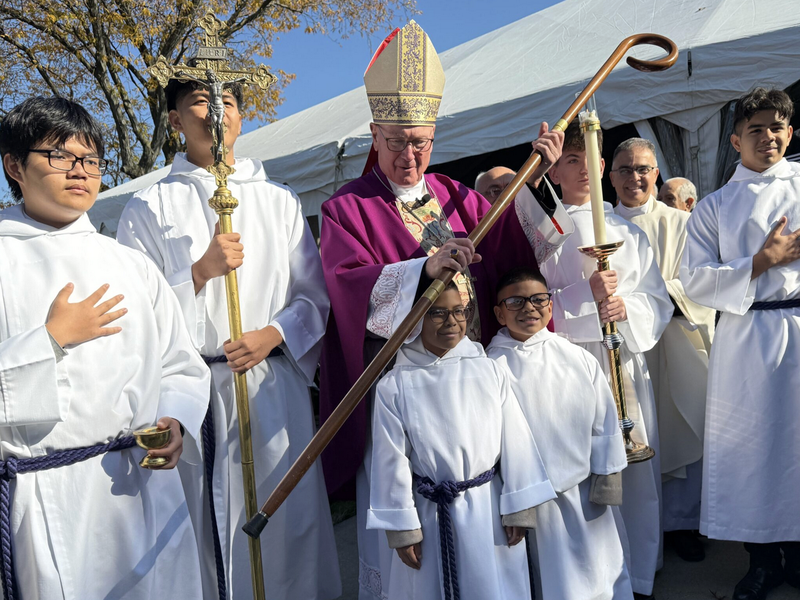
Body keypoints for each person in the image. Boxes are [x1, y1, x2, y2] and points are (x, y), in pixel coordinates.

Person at [318, 20, 573, 600]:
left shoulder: (465, 199)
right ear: (375, 136)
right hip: (401, 397)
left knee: (485, 546)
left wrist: (540, 178)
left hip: (475, 391)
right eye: (397, 140)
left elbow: (528, 258)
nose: (410, 155)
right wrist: (421, 270)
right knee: (411, 550)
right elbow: (347, 287)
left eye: (421, 142)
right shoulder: (347, 210)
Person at [117, 76, 340, 600]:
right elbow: (135, 313)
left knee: (289, 524)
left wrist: (272, 333)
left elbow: (314, 298)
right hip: (197, 389)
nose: (216, 113)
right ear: (174, 120)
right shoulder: (147, 207)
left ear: (243, 117)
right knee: (207, 526)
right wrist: (197, 273)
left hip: (271, 385)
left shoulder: (279, 200)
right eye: (199, 102)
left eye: (229, 102)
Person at [0, 96, 210, 599]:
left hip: (142, 482)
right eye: (59, 156)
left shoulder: (130, 264)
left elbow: (179, 363)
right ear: (14, 165)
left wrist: (175, 420)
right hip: (50, 493)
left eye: (91, 159)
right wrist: (49, 341)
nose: (80, 172)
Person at [542, 121, 672, 599]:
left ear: (601, 167)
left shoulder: (627, 233)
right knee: (582, 470)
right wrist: (583, 297)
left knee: (634, 473)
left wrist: (626, 309)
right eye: (568, 161)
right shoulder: (545, 232)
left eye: (586, 160)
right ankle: (587, 575)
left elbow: (655, 298)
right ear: (554, 170)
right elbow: (532, 302)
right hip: (571, 363)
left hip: (624, 362)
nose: (579, 170)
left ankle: (638, 573)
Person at [681, 86, 800, 600]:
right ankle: (761, 560)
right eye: (756, 129)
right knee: (753, 451)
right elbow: (693, 279)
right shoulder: (714, 206)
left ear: (790, 133)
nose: (767, 137)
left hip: (798, 328)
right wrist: (759, 263)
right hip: (747, 336)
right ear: (734, 141)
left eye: (777, 127)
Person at [368, 281, 556, 600]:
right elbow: (390, 458)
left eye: (458, 311)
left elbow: (517, 441)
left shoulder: (488, 370)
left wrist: (519, 507)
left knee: (494, 587)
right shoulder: (395, 385)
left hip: (488, 509)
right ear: (414, 320)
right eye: (437, 313)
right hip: (429, 513)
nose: (452, 322)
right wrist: (401, 527)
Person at [487, 267, 632, 600]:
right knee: (557, 583)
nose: (529, 308)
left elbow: (604, 416)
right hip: (536, 499)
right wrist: (515, 502)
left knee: (603, 568)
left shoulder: (575, 355)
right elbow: (497, 442)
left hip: (586, 489)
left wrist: (607, 475)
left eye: (539, 299)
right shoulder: (492, 367)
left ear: (551, 306)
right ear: (498, 312)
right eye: (516, 301)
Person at [611, 144, 714, 562]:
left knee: (679, 427)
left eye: (643, 169)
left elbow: (702, 282)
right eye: (625, 170)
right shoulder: (600, 226)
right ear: (610, 175)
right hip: (623, 348)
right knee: (637, 436)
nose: (634, 178)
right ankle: (640, 525)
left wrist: (653, 297)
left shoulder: (682, 223)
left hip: (674, 342)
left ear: (656, 173)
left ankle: (685, 524)